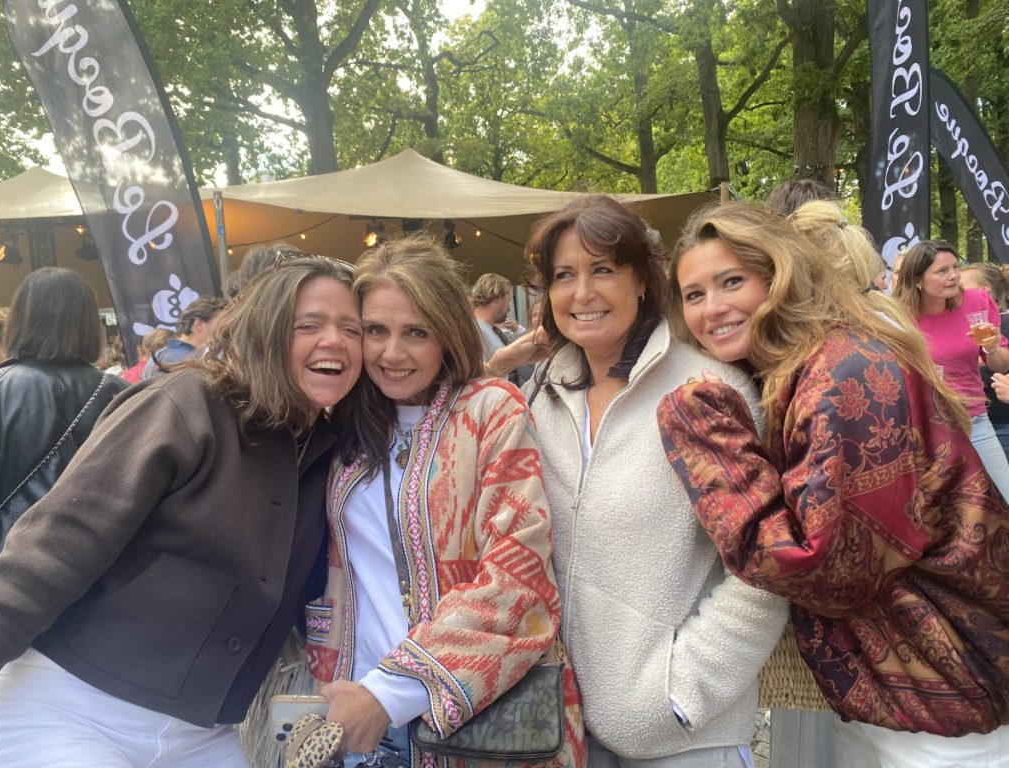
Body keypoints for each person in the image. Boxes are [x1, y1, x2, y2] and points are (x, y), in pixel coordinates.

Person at [658, 201, 1009, 768]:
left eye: (732, 282)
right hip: (901, 687)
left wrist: (708, 441)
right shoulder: (809, 364)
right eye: (693, 294)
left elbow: (829, 568)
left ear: (779, 276)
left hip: (942, 693)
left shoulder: (846, 374)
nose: (712, 308)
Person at [0, 255, 363, 767]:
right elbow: (48, 552)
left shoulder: (333, 451)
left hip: (203, 735)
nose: (334, 340)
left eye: (352, 329)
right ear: (266, 331)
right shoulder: (187, 404)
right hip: (69, 709)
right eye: (308, 325)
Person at [522, 196, 787, 768]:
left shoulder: (707, 392)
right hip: (559, 728)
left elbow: (765, 570)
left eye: (602, 269)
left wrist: (678, 696)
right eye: (563, 275)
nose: (581, 292)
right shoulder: (541, 394)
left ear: (642, 280)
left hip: (682, 739)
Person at [306, 235, 585, 767]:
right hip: (355, 713)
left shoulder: (490, 412)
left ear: (448, 332)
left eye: (417, 331)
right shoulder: (344, 423)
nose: (392, 353)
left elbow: (518, 574)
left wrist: (391, 692)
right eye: (375, 331)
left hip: (467, 719)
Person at [0, 268, 127, 557]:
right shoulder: (122, 393)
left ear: (20, 320)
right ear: (88, 322)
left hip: (4, 559)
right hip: (100, 559)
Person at [892, 240, 1009, 501]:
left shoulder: (977, 301)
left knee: (1004, 497)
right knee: (937, 509)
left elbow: (1001, 364)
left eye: (955, 267)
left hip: (974, 421)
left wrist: (992, 347)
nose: (954, 275)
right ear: (918, 280)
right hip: (922, 427)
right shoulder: (897, 315)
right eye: (942, 271)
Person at [961, 262, 1009, 457]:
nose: (957, 292)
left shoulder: (1003, 323)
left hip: (1001, 423)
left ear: (983, 291)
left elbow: (999, 365)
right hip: (982, 419)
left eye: (962, 287)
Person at [141, 295, 227, 380]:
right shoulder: (177, 360)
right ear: (199, 325)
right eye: (222, 324)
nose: (226, 330)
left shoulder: (166, 354)